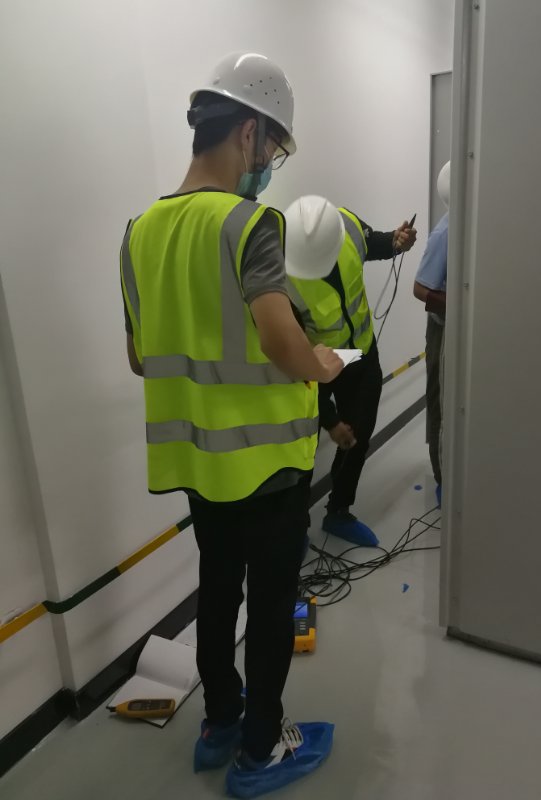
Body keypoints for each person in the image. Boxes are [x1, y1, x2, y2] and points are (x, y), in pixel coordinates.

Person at [120, 53, 343, 799]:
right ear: (248, 132)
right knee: (273, 604)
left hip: (198, 462)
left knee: (217, 589)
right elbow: (281, 339)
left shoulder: (139, 232)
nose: (269, 163)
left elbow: (140, 357)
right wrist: (322, 365)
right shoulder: (250, 223)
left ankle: (220, 721)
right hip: (269, 464)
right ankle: (260, 752)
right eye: (273, 147)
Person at [285, 195, 417, 548]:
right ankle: (295, 531)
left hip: (360, 352)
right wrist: (330, 421)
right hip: (314, 366)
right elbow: (293, 356)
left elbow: (375, 244)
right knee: (302, 450)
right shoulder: (280, 273)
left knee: (357, 434)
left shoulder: (344, 225)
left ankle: (339, 511)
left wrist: (396, 241)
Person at [413, 161, 450, 506]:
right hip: (443, 330)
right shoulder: (444, 233)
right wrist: (459, 303)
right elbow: (420, 289)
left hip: (461, 329)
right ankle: (442, 478)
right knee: (440, 399)